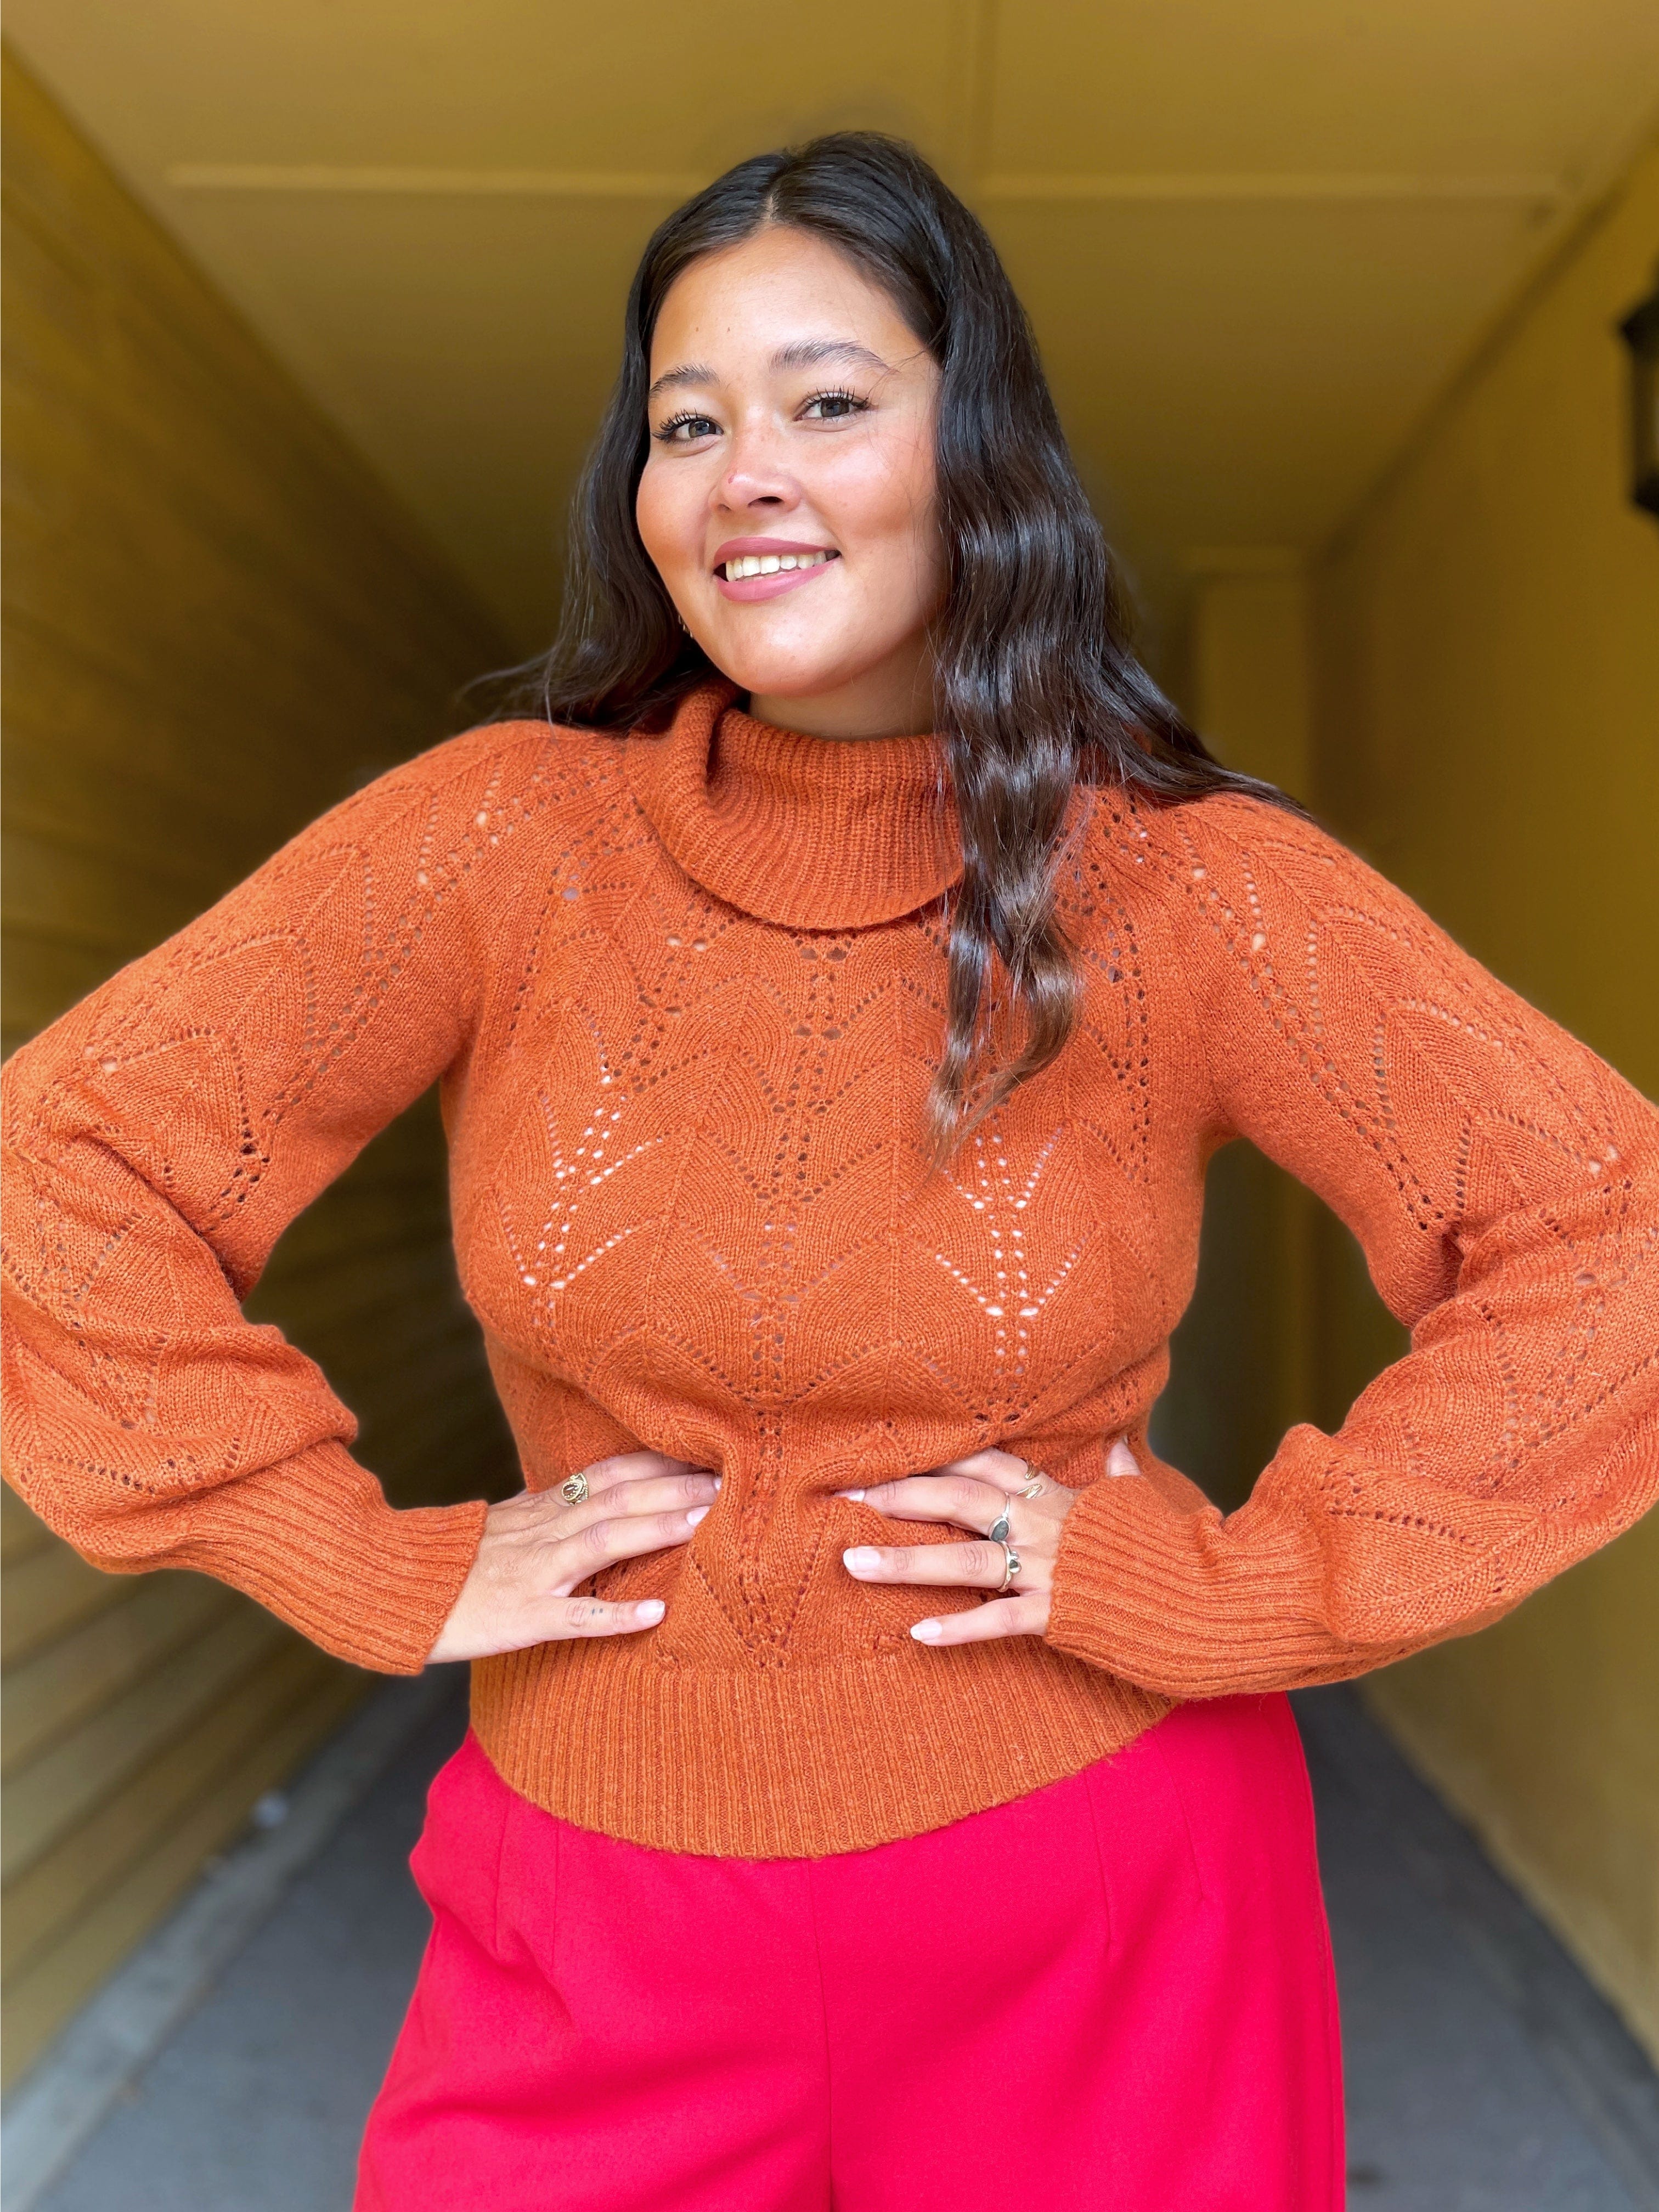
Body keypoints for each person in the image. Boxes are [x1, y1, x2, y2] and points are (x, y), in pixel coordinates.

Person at [3, 131, 1655, 2212]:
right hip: (590, 1927)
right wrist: (367, 1560)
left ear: (980, 458)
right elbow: (59, 1164)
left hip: (1102, 1915)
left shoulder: (1188, 889)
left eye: (829, 401)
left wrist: (1231, 1589)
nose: (744, 476)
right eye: (688, 423)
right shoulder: (499, 845)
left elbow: (1609, 1234)